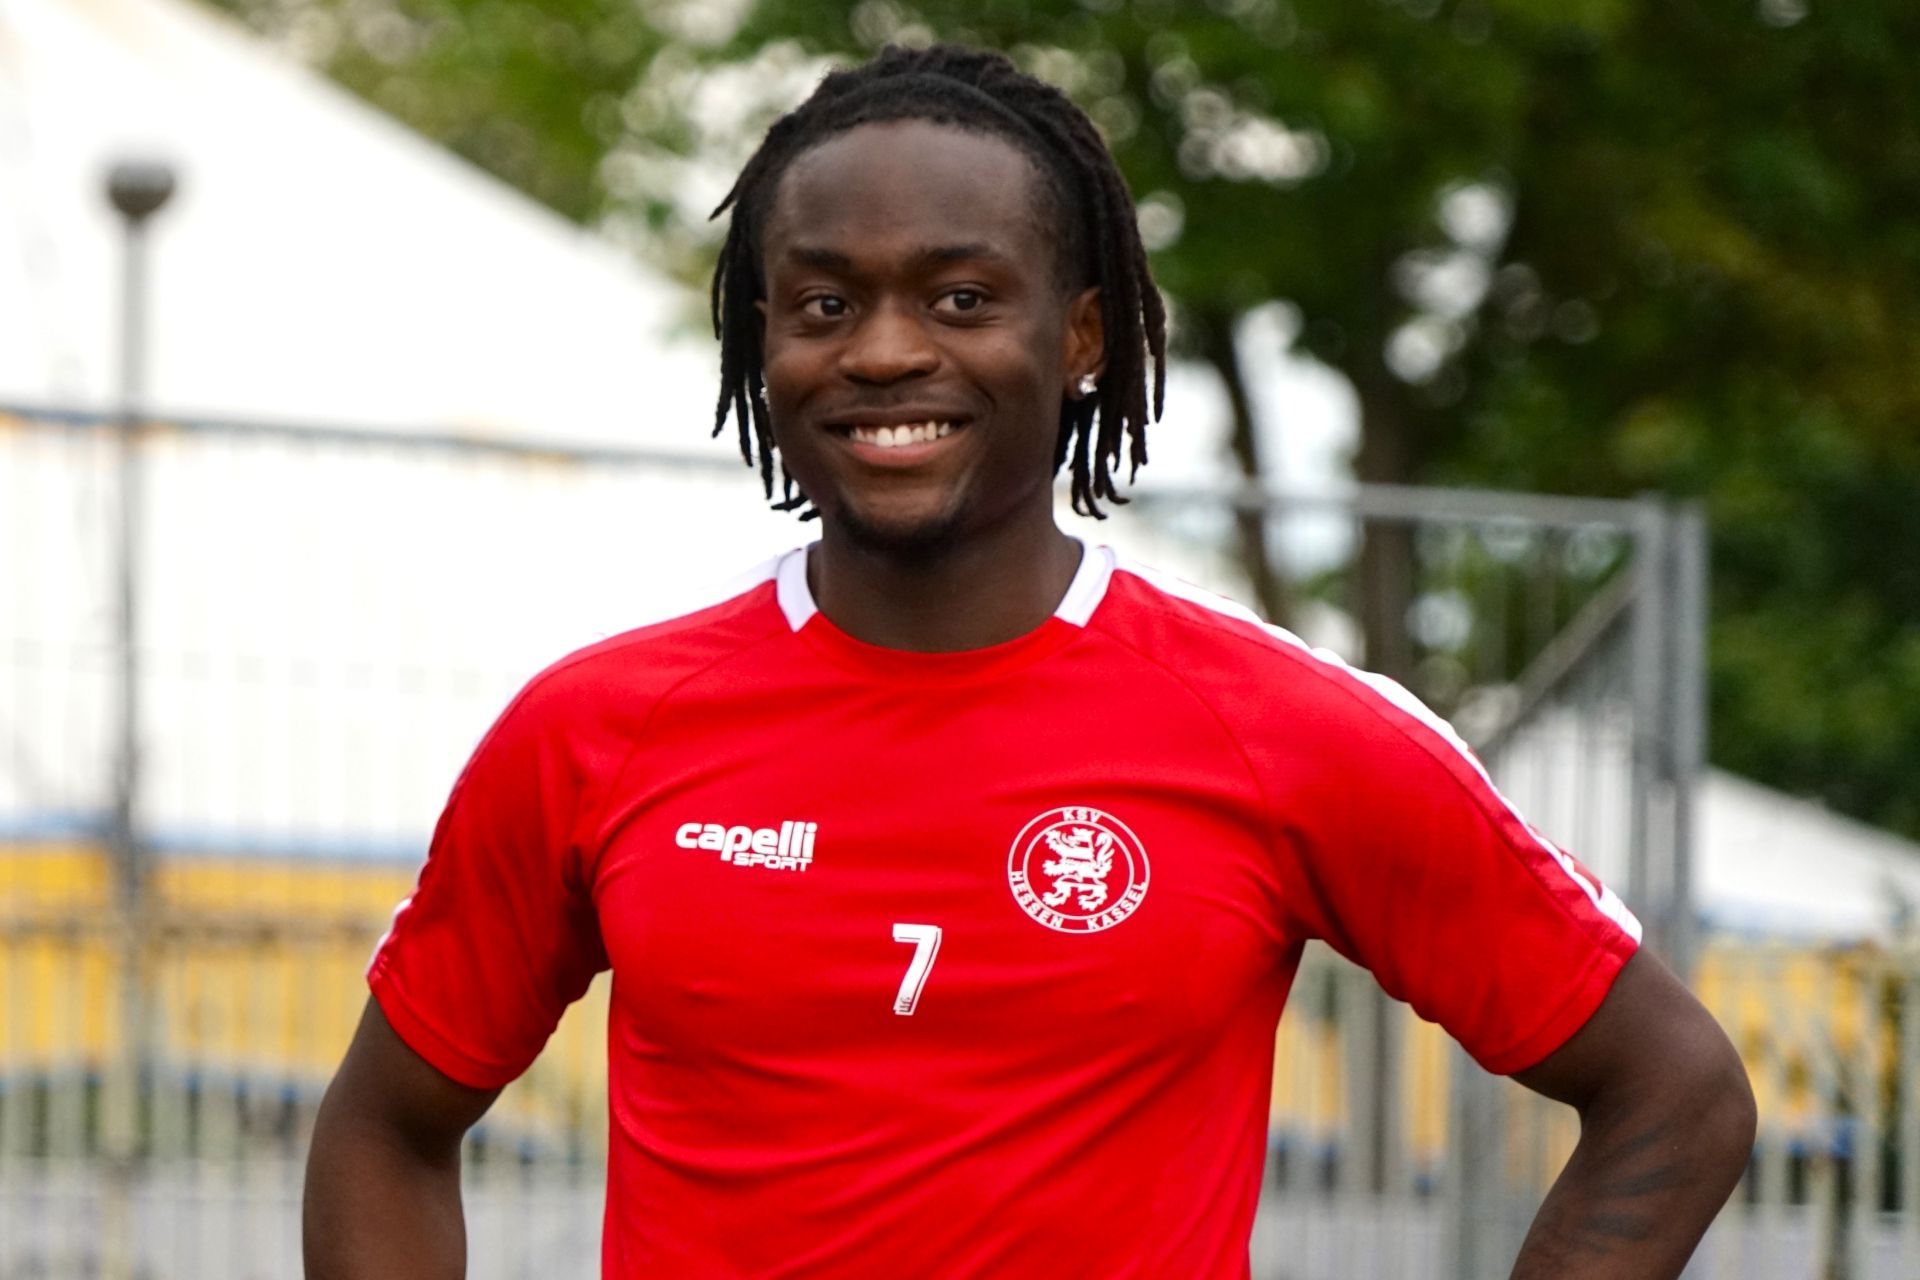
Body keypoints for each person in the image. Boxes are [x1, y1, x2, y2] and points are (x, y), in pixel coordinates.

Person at [304, 43, 1755, 1280]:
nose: (882, 353)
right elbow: (385, 1128)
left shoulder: (1280, 729)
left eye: (960, 299)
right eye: (823, 304)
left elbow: (1674, 1091)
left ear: (1081, 340)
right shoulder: (597, 728)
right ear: (763, 345)